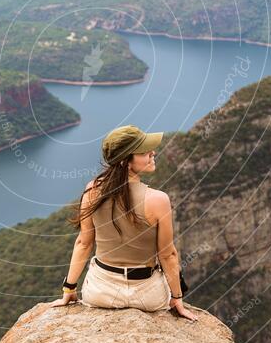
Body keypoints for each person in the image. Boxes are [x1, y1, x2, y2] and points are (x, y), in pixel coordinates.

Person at [51, 124, 198, 321]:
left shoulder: (92, 190)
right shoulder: (158, 200)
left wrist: (69, 288)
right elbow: (168, 254)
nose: (153, 153)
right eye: (145, 152)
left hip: (100, 293)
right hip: (148, 297)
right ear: (126, 161)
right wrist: (177, 298)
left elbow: (83, 243)